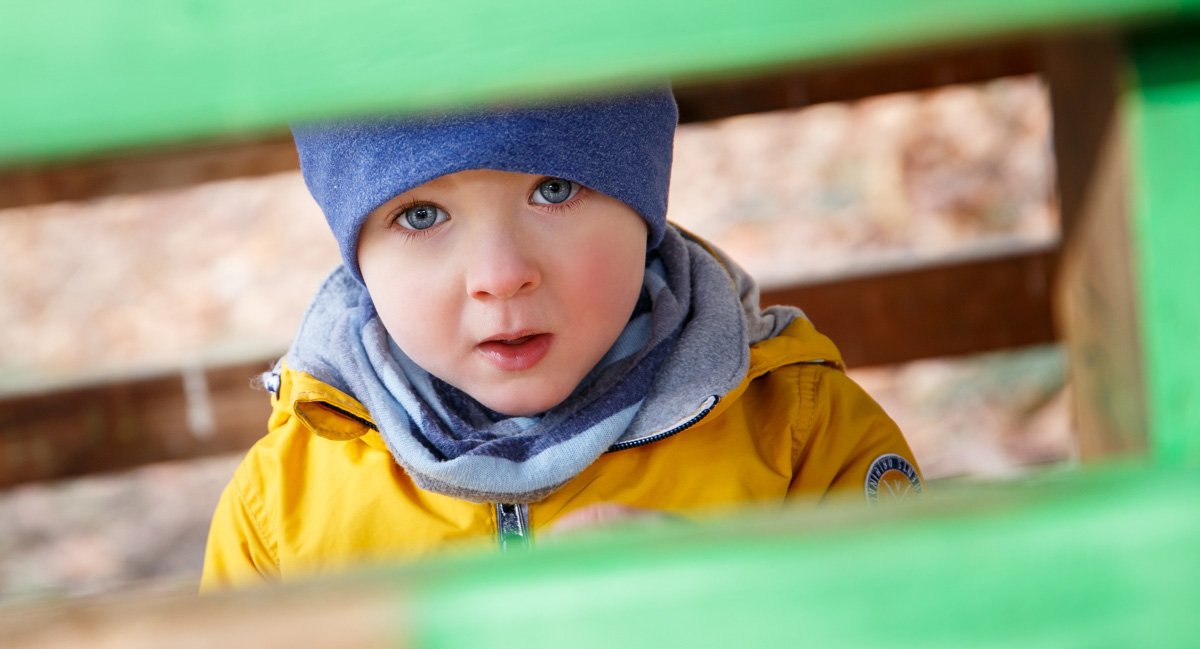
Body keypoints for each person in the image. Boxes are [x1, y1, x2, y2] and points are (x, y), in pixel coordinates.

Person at [200, 86, 922, 591]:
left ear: (646, 204)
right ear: (358, 259)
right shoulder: (281, 515)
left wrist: (739, 613)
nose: (501, 275)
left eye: (553, 189)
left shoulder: (798, 436)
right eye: (421, 215)